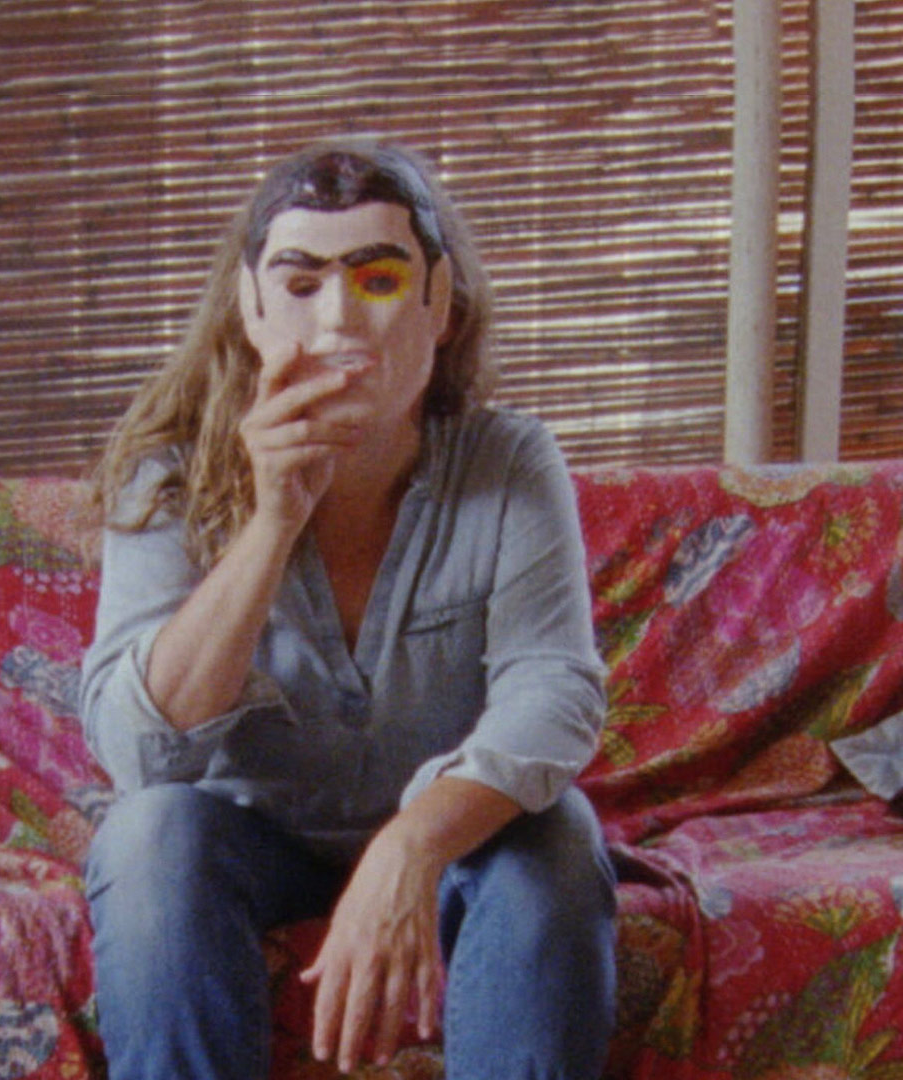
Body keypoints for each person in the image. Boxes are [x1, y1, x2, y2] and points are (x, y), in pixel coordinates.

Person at [80, 137, 616, 1080]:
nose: (338, 320)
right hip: (244, 833)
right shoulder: (166, 474)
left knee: (559, 838)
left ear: (438, 302)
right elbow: (139, 752)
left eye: (378, 279)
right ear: (250, 305)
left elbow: (556, 694)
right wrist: (272, 522)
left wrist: (412, 845)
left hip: (449, 828)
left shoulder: (510, 462)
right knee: (148, 836)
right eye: (300, 283)